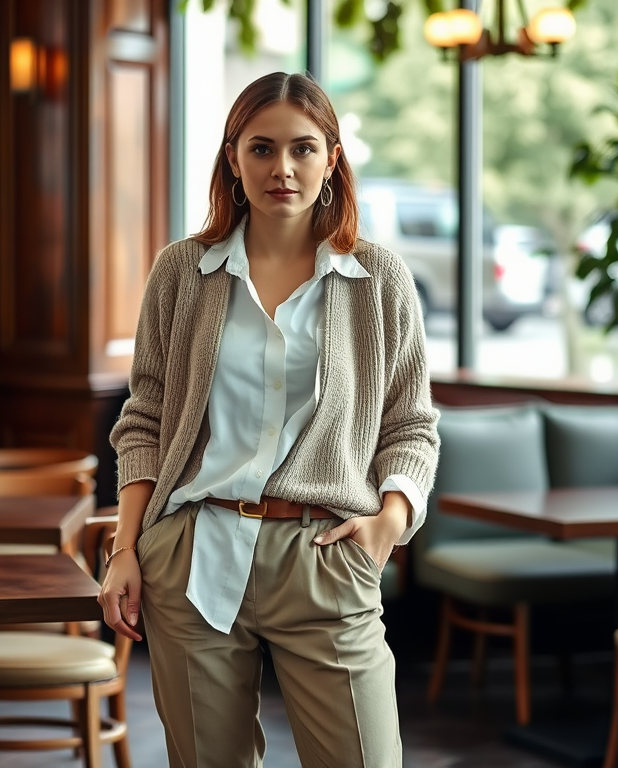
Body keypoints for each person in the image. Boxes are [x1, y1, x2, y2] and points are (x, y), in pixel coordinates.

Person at [98, 71, 440, 768]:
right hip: (194, 554)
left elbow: (411, 424)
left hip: (325, 556)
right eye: (260, 149)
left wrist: (388, 524)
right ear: (233, 158)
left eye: (302, 149)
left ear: (332, 158)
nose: (281, 168)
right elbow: (146, 420)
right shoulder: (181, 273)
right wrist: (127, 547)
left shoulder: (380, 280)